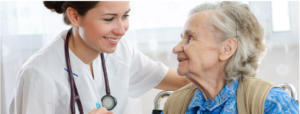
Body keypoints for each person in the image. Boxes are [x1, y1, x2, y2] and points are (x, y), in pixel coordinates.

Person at [9, 1, 190, 114]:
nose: (121, 30)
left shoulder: (122, 51)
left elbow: (183, 82)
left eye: (125, 16)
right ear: (74, 17)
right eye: (109, 19)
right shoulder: (39, 73)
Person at [161, 1, 299, 114]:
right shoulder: (175, 103)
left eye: (190, 38)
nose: (176, 48)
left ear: (227, 49)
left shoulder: (271, 102)